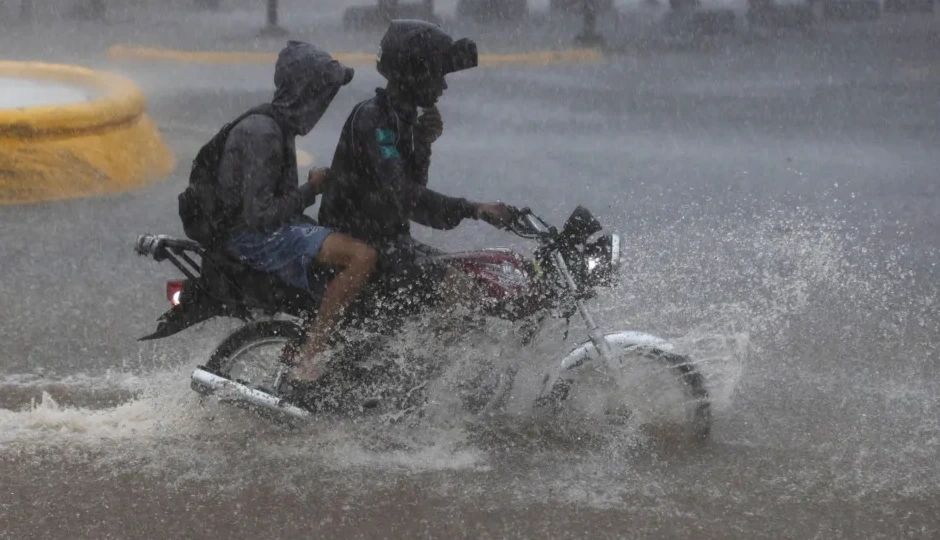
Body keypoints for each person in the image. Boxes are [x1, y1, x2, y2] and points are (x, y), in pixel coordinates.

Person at [215, 41, 377, 385]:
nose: (323, 104)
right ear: (305, 91)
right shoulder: (264, 132)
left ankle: (306, 351)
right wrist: (311, 189)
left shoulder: (278, 127)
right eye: (321, 93)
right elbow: (260, 216)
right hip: (251, 238)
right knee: (361, 257)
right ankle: (309, 360)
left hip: (264, 229)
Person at [318, 20, 511, 306]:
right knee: (459, 290)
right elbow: (403, 197)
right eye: (437, 75)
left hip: (390, 240)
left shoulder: (401, 119)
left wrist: (422, 145)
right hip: (363, 243)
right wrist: (473, 208)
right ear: (415, 74)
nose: (443, 85)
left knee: (478, 273)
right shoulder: (374, 119)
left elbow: (409, 190)